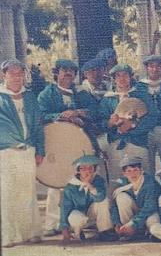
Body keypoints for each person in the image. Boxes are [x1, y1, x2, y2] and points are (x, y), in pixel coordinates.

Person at [38, 59, 98, 236]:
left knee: (84, 181)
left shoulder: (81, 94)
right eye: (64, 70)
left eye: (72, 71)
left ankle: (86, 220)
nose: (68, 74)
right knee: (55, 182)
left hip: (78, 145)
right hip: (55, 144)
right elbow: (40, 115)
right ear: (56, 72)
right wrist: (62, 116)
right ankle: (52, 223)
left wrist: (78, 113)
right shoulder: (46, 94)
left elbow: (94, 111)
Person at [0, 59, 44, 247]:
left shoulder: (30, 97)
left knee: (28, 192)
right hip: (6, 152)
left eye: (20, 74)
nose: (17, 77)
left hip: (28, 150)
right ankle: (9, 236)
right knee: (8, 193)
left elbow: (38, 125)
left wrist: (40, 150)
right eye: (12, 73)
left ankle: (32, 232)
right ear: (3, 75)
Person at [97, 64, 157, 181]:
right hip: (116, 140)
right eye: (118, 76)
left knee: (143, 175)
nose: (122, 79)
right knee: (118, 176)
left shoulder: (142, 95)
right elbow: (101, 121)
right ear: (113, 80)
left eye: (125, 75)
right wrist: (110, 123)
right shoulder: (108, 99)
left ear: (131, 77)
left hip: (138, 140)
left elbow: (152, 117)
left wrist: (133, 126)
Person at [60, 154, 115, 243]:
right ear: (78, 170)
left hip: (91, 214)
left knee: (103, 201)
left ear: (94, 169)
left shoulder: (99, 180)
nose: (87, 171)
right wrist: (64, 229)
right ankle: (77, 232)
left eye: (90, 168)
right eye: (83, 168)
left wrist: (91, 187)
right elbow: (65, 208)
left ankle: (104, 231)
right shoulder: (70, 186)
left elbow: (100, 198)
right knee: (76, 217)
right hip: (77, 215)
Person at [110, 156, 160, 241]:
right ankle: (128, 233)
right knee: (121, 197)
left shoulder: (149, 183)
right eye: (129, 171)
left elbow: (150, 207)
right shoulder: (122, 183)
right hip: (135, 213)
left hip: (151, 212)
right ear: (124, 173)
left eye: (135, 170)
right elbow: (114, 205)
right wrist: (116, 223)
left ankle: (142, 232)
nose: (133, 174)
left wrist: (133, 223)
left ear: (141, 170)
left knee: (152, 223)